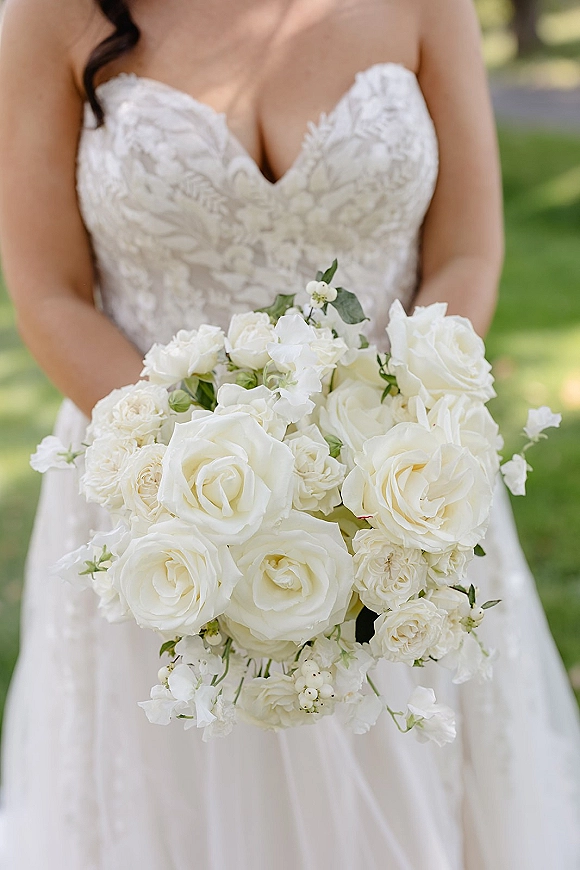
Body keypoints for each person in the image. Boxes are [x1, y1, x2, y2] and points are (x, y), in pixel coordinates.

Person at [0, 0, 579, 866]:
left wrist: (383, 443)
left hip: (398, 499)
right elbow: (47, 288)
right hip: (156, 510)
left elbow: (467, 249)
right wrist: (195, 483)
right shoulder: (50, 12)